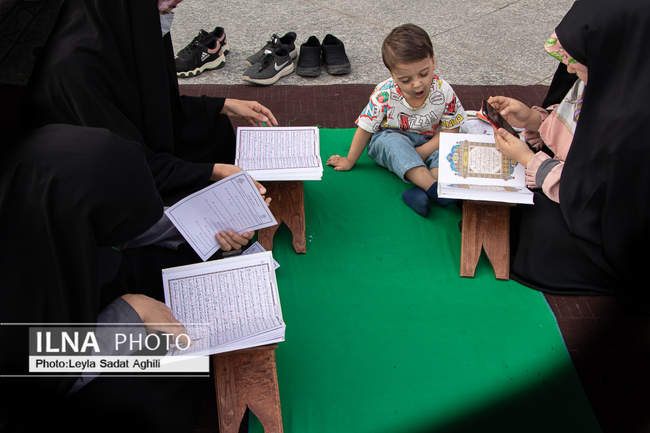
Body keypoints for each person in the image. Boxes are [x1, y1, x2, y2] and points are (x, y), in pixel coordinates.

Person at [488, 0, 650, 303]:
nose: (568, 67)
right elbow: (576, 134)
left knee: (541, 233)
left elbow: (599, 197)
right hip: (565, 179)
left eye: (576, 60)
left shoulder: (636, 118)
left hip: (609, 226)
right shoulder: (606, 76)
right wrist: (532, 120)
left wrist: (529, 159)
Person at [326, 24, 466, 217]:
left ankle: (421, 192)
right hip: (392, 136)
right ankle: (437, 191)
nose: (417, 84)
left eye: (424, 74)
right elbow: (365, 128)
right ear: (392, 74)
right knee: (392, 144)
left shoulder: (444, 91)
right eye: (406, 80)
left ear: (433, 61)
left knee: (450, 151)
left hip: (431, 140)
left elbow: (451, 128)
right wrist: (349, 160)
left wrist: (424, 151)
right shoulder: (384, 94)